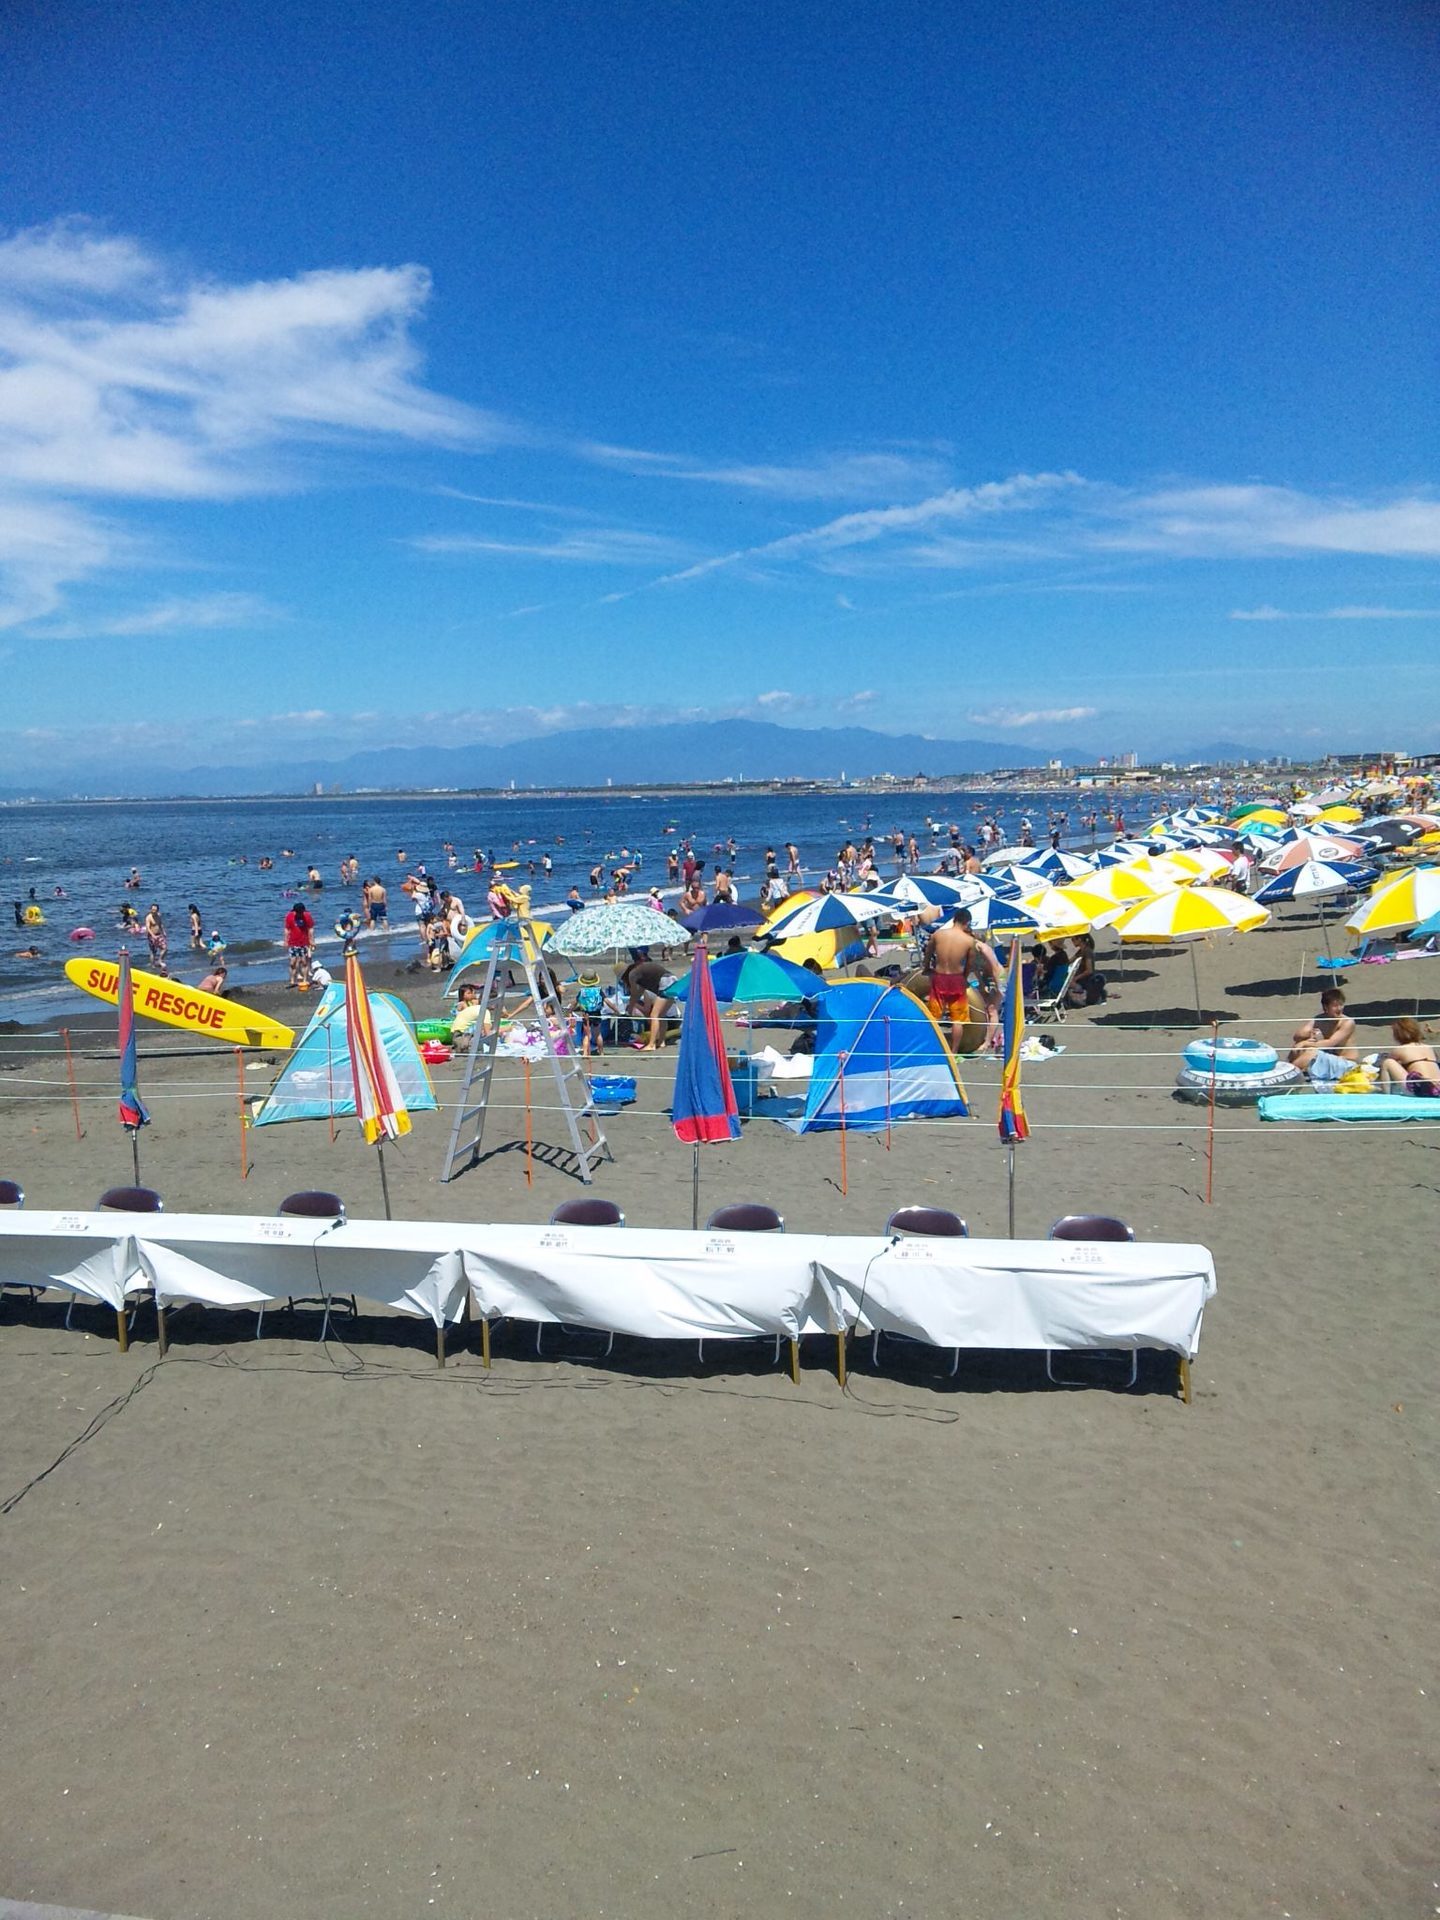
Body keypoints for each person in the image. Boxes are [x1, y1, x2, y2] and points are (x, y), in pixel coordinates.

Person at [923, 905, 980, 1050]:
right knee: (957, 1019)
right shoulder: (968, 941)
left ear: (954, 919)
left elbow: (928, 953)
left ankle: (931, 1046)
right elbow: (970, 964)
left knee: (933, 1016)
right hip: (956, 979)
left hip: (939, 977)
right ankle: (953, 1051)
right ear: (967, 923)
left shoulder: (938, 934)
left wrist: (926, 968)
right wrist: (964, 977)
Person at [1289, 986, 1356, 1074]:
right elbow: (1298, 1035)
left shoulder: (1347, 1023)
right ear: (1326, 1007)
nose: (1339, 1009)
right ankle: (1291, 1068)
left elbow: (1330, 1043)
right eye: (1335, 1006)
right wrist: (1310, 1034)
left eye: (1341, 1004)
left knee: (1312, 1053)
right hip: (1331, 1057)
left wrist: (1305, 1043)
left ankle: (1291, 1072)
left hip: (1346, 1062)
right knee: (1298, 1046)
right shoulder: (1320, 1019)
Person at [622, 948, 675, 1051]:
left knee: (654, 1015)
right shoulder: (642, 973)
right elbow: (639, 992)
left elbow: (633, 994)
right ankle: (661, 1041)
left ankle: (651, 1044)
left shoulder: (632, 974)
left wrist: (630, 1008)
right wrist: (632, 1005)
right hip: (672, 980)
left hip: (665, 981)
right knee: (661, 1015)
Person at [1378, 1017, 1440, 1095]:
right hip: (1437, 1087)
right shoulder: (1429, 1048)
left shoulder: (1400, 1049)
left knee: (1387, 1063)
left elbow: (1390, 1070)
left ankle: (1386, 1093)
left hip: (1421, 1089)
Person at [284, 899, 315, 988]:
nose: (300, 914)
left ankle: (305, 980)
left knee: (304, 961)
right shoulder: (290, 916)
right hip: (293, 942)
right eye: (298, 913)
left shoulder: (307, 916)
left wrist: (312, 941)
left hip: (304, 942)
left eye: (301, 912)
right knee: (292, 962)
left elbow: (310, 929)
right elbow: (287, 929)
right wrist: (285, 941)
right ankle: (292, 980)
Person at [575, 970, 604, 1058]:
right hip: (597, 1014)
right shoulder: (599, 990)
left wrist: (569, 1010)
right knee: (598, 1034)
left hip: (586, 1014)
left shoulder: (582, 991)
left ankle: (584, 1053)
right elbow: (606, 1001)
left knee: (587, 1035)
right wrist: (616, 1010)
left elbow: (575, 1002)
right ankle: (601, 1052)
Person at [143, 902, 169, 975]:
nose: (153, 911)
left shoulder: (158, 915)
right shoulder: (148, 917)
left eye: (155, 910)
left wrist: (163, 932)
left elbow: (160, 924)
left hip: (159, 934)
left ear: (157, 910)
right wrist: (152, 935)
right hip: (152, 935)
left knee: (165, 948)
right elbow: (148, 928)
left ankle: (160, 960)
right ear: (150, 909)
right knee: (153, 952)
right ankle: (152, 965)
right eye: (152, 909)